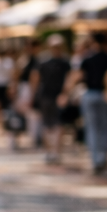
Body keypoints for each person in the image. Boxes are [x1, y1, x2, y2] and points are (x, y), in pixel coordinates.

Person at [74, 31, 107, 174]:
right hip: (105, 95)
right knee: (104, 126)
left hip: (90, 95)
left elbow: (78, 77)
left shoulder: (87, 58)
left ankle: (96, 158)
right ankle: (103, 156)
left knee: (92, 128)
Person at [35, 35, 71, 163]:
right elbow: (37, 79)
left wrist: (65, 94)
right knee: (48, 125)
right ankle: (51, 151)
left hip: (57, 96)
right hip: (46, 96)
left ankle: (55, 151)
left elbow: (68, 80)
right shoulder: (44, 61)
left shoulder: (64, 62)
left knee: (56, 124)